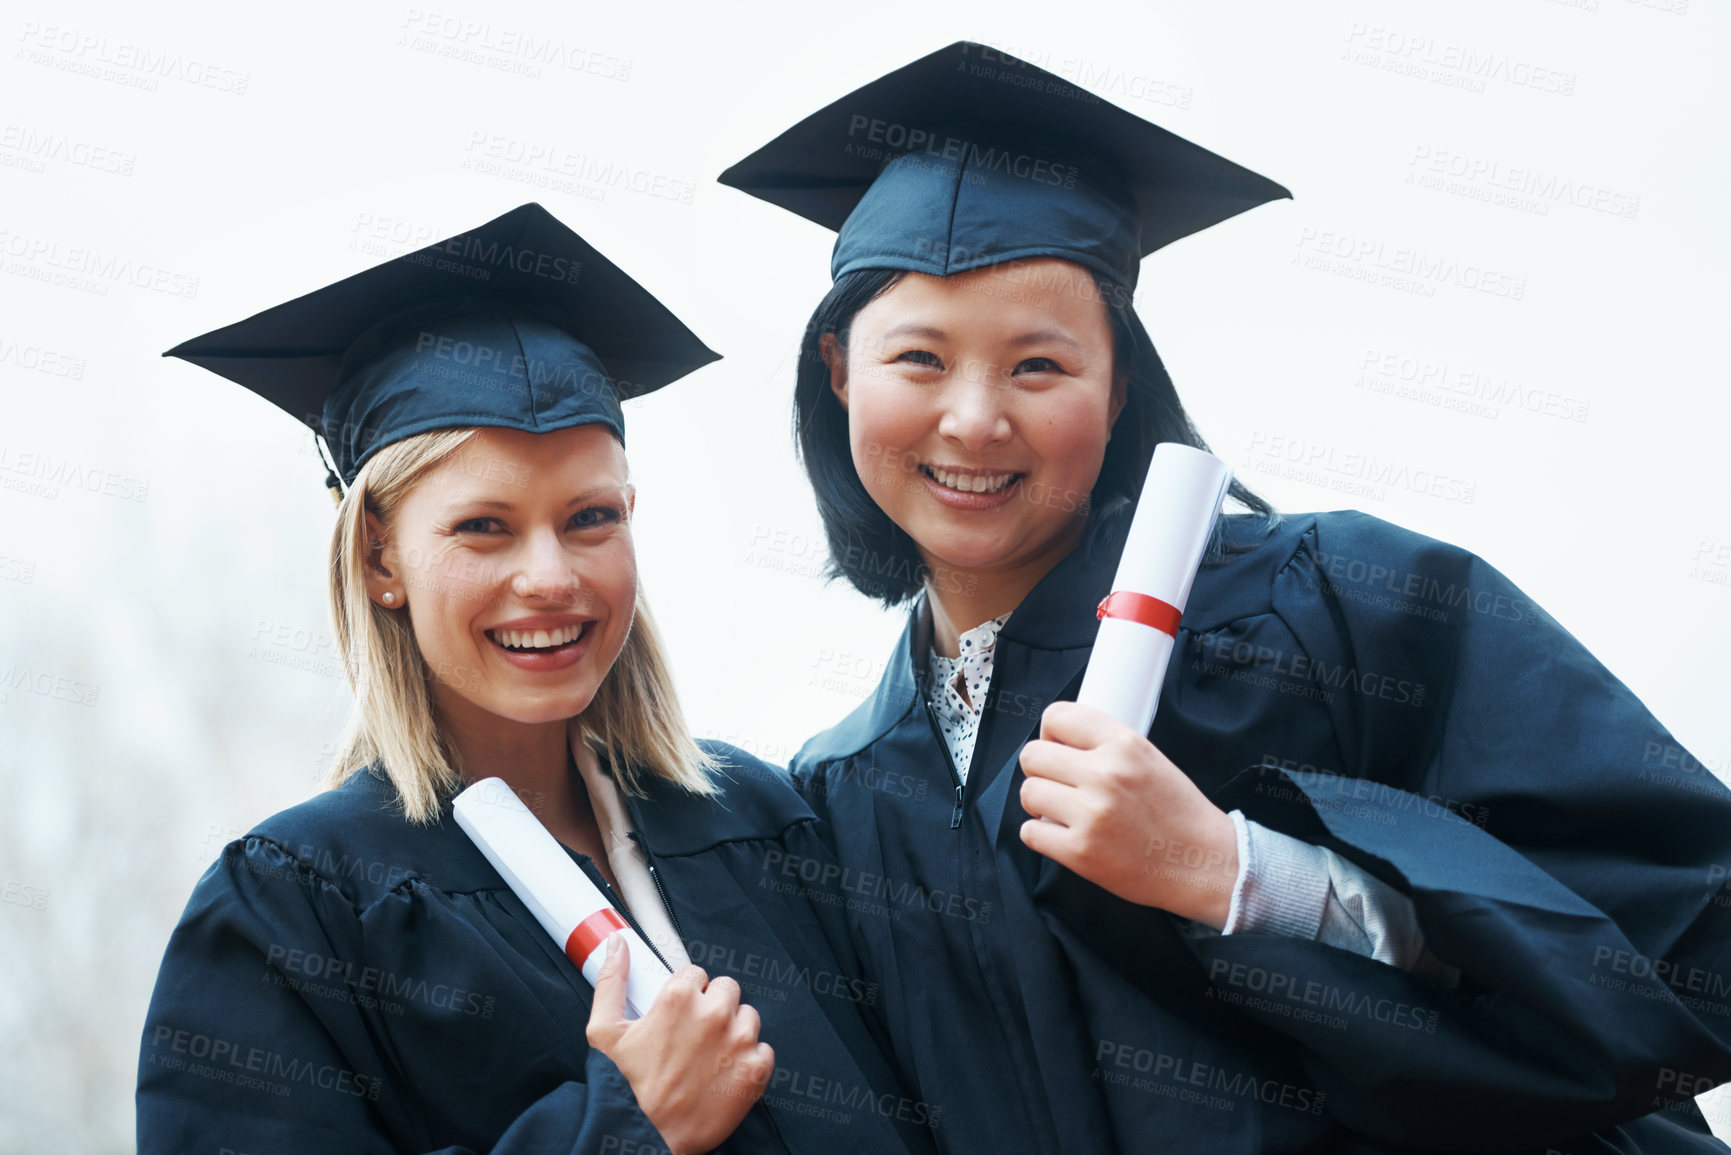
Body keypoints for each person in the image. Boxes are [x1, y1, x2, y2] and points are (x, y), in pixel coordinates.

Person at [720, 41, 1731, 1153]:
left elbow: (1690, 948)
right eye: (917, 358)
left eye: (1039, 366)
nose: (973, 419)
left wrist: (1244, 876)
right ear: (836, 370)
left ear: (1118, 390)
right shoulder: (843, 789)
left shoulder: (1334, 606)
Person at [136, 203, 934, 1155]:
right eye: (484, 527)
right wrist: (626, 1126)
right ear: (381, 559)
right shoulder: (297, 915)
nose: (552, 575)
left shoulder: (764, 824)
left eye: (591, 517)